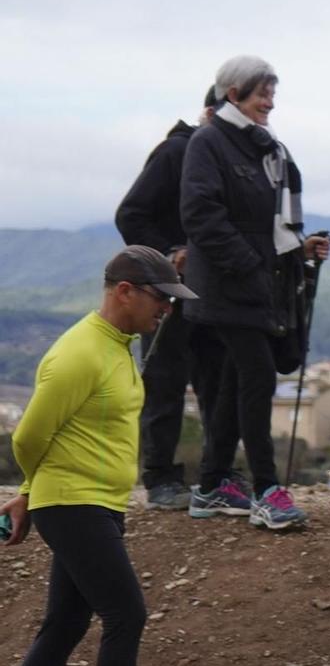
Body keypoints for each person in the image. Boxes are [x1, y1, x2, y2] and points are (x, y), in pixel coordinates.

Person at [0, 247, 195, 666]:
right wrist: (39, 493)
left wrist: (29, 493)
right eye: (162, 297)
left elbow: (71, 435)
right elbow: (29, 436)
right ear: (125, 291)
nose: (168, 309)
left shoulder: (120, 346)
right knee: (126, 614)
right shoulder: (79, 353)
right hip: (76, 504)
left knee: (64, 623)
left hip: (93, 503)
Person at [179, 55, 330, 531]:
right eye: (261, 93)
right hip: (225, 287)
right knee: (259, 376)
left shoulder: (268, 149)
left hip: (261, 285)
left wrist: (299, 251)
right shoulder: (208, 143)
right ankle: (267, 489)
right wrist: (249, 264)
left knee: (230, 384)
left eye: (271, 94)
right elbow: (200, 214)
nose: (269, 102)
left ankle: (210, 486)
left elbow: (273, 222)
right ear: (233, 95)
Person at [114, 86, 220, 511]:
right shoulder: (175, 153)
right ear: (211, 113)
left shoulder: (228, 162)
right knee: (166, 381)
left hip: (216, 289)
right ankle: (159, 477)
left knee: (217, 379)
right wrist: (169, 254)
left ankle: (217, 475)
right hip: (170, 289)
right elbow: (130, 214)